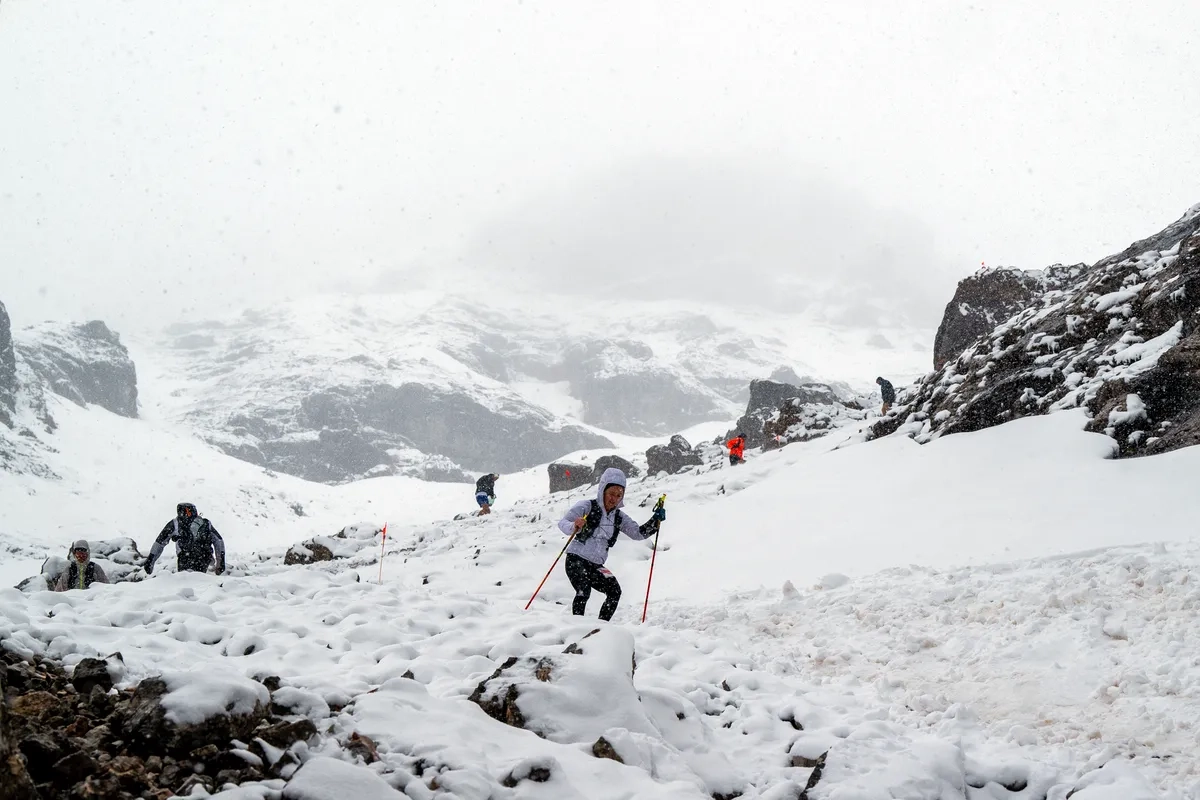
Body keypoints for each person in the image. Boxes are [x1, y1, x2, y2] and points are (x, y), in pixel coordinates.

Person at [556, 467, 666, 621]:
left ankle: (601, 628)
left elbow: (638, 533)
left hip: (596, 565)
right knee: (583, 591)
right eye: (611, 493)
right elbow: (563, 523)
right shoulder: (587, 506)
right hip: (576, 559)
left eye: (619, 495)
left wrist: (655, 521)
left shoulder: (619, 517)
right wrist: (574, 525)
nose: (614, 498)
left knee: (615, 591)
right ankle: (576, 627)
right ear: (603, 491)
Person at [144, 502, 226, 575]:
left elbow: (160, 542)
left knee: (185, 579)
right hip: (204, 557)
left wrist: (150, 560)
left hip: (184, 557)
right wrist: (221, 562)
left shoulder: (175, 523)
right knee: (199, 579)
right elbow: (218, 541)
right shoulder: (205, 523)